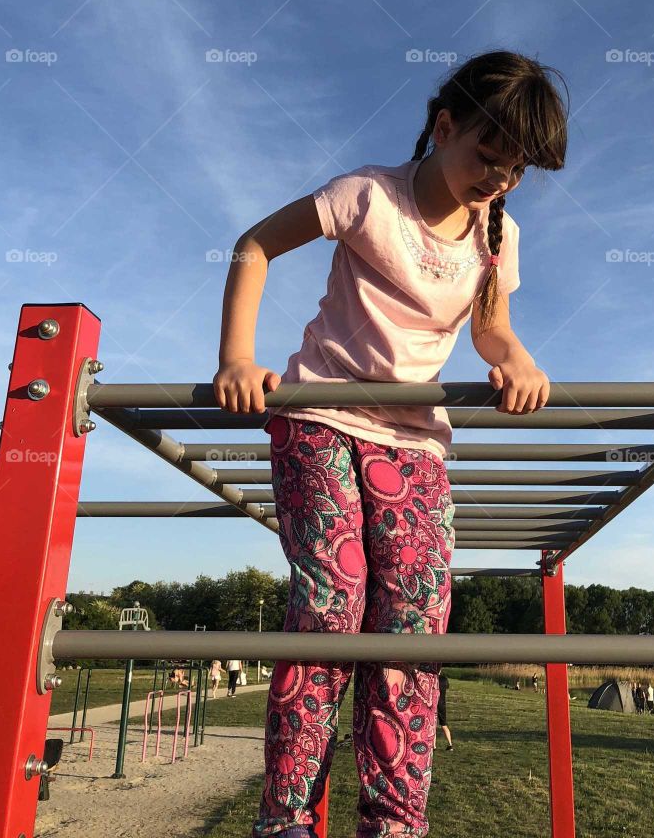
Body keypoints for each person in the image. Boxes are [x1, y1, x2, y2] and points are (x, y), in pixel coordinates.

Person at [214, 50, 569, 838]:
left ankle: (394, 822)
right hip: (320, 416)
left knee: (413, 621)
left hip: (415, 442)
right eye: (487, 157)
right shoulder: (368, 195)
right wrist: (237, 357)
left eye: (513, 172)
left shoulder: (497, 238)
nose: (497, 181)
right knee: (333, 608)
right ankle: (287, 817)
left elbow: (491, 327)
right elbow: (253, 245)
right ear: (444, 126)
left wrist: (515, 359)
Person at [435, 671, 452, 751]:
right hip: (442, 704)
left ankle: (434, 746)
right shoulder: (444, 679)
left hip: (434, 703)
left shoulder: (434, 678)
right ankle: (450, 745)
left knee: (433, 726)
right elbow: (447, 687)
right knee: (444, 725)